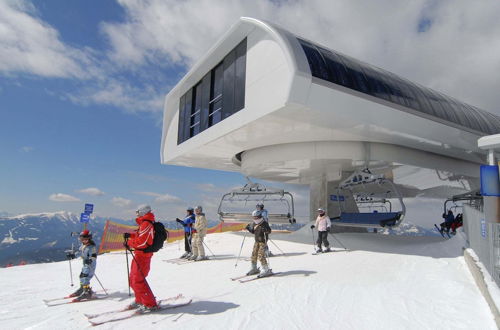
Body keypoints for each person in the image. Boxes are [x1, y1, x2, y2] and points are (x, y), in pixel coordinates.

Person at [123, 205, 159, 312]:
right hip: (139, 255)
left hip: (143, 256)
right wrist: (131, 236)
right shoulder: (144, 223)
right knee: (133, 279)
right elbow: (141, 237)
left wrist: (129, 243)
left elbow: (143, 242)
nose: (136, 213)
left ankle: (150, 304)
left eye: (138, 211)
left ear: (143, 211)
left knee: (138, 280)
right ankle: (139, 300)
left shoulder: (146, 223)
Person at [67, 230, 97, 300]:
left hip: (90, 265)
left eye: (86, 239)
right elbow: (80, 253)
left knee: (85, 277)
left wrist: (90, 260)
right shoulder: (83, 246)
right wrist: (73, 255)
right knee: (81, 276)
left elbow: (94, 256)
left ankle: (87, 292)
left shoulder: (92, 247)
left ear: (89, 239)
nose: (84, 241)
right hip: (85, 264)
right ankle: (82, 289)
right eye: (83, 239)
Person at [245, 210, 273, 277]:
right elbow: (253, 231)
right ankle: (254, 268)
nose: (255, 219)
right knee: (254, 254)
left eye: (256, 217)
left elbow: (269, 231)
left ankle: (266, 269)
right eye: (254, 217)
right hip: (257, 241)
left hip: (263, 241)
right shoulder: (255, 223)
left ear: (260, 216)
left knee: (261, 255)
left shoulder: (264, 223)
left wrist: (265, 230)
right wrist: (249, 228)